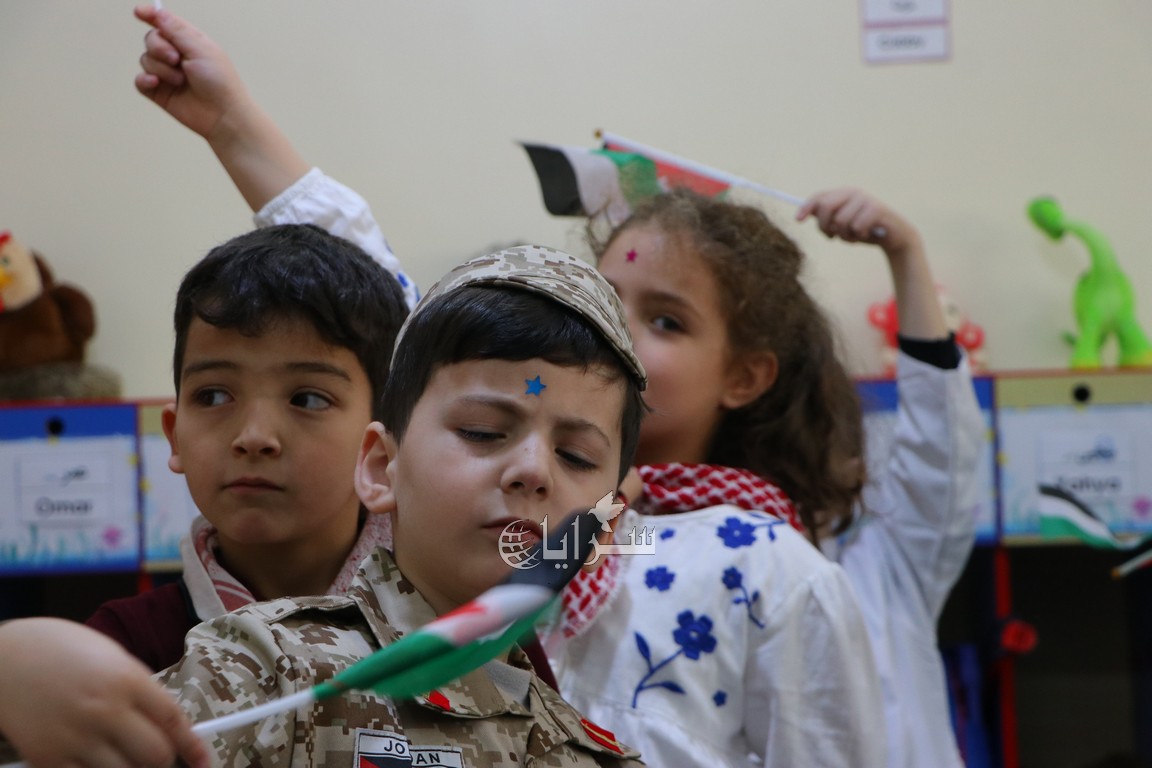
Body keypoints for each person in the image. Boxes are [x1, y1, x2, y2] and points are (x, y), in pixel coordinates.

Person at [796, 188, 985, 768]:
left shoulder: (888, 563)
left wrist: (905, 252)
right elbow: (584, 554)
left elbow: (941, 443)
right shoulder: (680, 528)